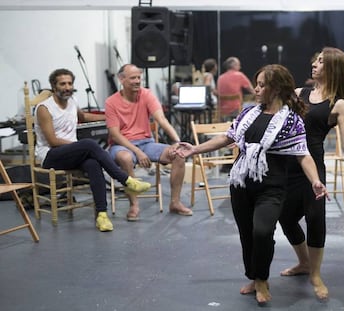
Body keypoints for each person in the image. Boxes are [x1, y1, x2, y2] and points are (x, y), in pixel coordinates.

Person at [177, 64, 328, 305]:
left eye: (261, 85)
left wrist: (316, 181)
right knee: (247, 235)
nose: (255, 89)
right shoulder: (248, 113)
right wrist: (195, 149)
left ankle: (262, 277)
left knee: (263, 231)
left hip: (272, 187)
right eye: (256, 84)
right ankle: (257, 278)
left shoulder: (292, 121)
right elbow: (227, 137)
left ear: (276, 88)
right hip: (241, 184)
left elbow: (303, 154)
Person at [278, 47, 344, 300]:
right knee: (285, 217)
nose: (314, 64)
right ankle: (304, 262)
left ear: (333, 68)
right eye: (315, 60)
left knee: (316, 218)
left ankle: (315, 273)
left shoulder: (337, 103)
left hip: (314, 165)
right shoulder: (297, 94)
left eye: (321, 62)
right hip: (288, 165)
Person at [35, 68, 151, 232]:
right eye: (63, 84)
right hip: (49, 156)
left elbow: (84, 117)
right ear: (54, 86)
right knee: (89, 144)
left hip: (71, 152)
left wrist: (110, 116)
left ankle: (102, 216)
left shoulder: (72, 101)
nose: (67, 87)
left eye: (70, 83)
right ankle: (126, 181)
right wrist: (78, 147)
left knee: (93, 164)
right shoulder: (44, 108)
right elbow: (53, 141)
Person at [105, 64, 193, 221]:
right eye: (133, 78)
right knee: (125, 158)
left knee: (178, 154)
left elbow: (161, 119)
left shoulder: (146, 94)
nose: (138, 81)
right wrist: (138, 152)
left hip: (146, 142)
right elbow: (115, 135)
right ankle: (134, 205)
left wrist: (178, 142)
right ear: (121, 79)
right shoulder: (111, 102)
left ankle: (175, 202)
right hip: (122, 145)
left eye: (139, 77)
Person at [217, 56, 255, 121]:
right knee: (253, 105)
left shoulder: (220, 77)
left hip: (222, 110)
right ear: (234, 65)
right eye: (239, 65)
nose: (240, 67)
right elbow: (252, 90)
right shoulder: (239, 75)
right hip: (236, 109)